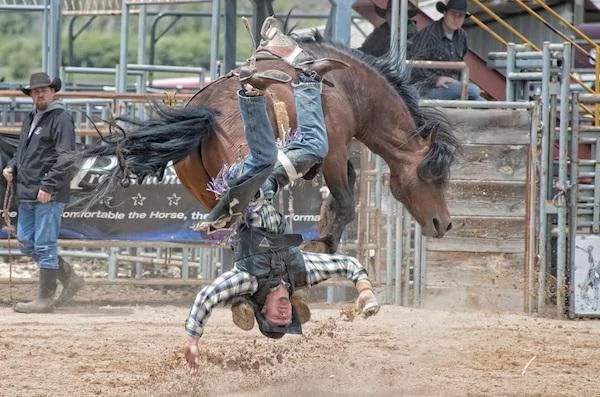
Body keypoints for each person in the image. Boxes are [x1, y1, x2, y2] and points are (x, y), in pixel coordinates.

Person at [198, 17, 347, 232]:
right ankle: (258, 90)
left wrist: (215, 218)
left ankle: (305, 78)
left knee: (313, 147)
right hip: (244, 183)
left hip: (244, 188)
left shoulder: (258, 248)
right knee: (266, 157)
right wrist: (214, 220)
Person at [3, 72, 84, 313]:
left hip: (47, 192)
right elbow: (22, 151)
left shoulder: (61, 118)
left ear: (53, 91)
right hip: (27, 190)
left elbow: (66, 156)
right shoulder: (31, 118)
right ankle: (69, 277)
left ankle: (45, 299)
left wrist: (49, 185)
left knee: (44, 245)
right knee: (27, 242)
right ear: (31, 94)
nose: (39, 93)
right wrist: (12, 166)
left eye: (44, 89)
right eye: (35, 91)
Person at [408, 0, 484, 100]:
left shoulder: (462, 36)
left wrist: (457, 82)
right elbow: (413, 65)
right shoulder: (429, 35)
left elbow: (461, 64)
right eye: (453, 14)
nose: (456, 19)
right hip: (426, 89)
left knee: (482, 101)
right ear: (444, 13)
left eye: (460, 16)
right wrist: (436, 79)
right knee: (474, 91)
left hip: (450, 87)